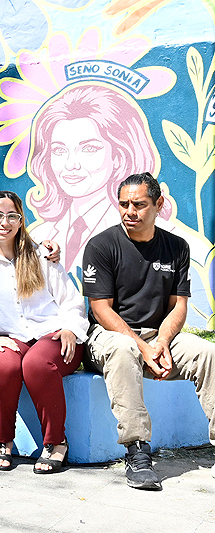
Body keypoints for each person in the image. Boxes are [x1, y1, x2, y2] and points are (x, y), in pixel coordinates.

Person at [82, 172, 215, 490]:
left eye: (139, 204)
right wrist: (145, 348)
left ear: (159, 205)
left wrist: (163, 343)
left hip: (157, 336)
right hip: (108, 337)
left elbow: (178, 306)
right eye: (124, 204)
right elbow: (102, 310)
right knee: (124, 347)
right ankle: (137, 450)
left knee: (208, 353)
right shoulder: (102, 246)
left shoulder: (176, 248)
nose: (130, 211)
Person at [0, 191, 87, 474]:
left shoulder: (41, 255)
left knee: (37, 363)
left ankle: (56, 443)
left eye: (12, 216)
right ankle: (3, 441)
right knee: (2, 365)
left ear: (20, 221)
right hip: (14, 337)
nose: (5, 222)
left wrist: (69, 328)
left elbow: (71, 301)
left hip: (57, 336)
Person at [26, 83, 161, 273]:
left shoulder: (148, 234)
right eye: (59, 150)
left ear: (118, 156)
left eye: (89, 149)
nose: (71, 164)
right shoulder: (37, 235)